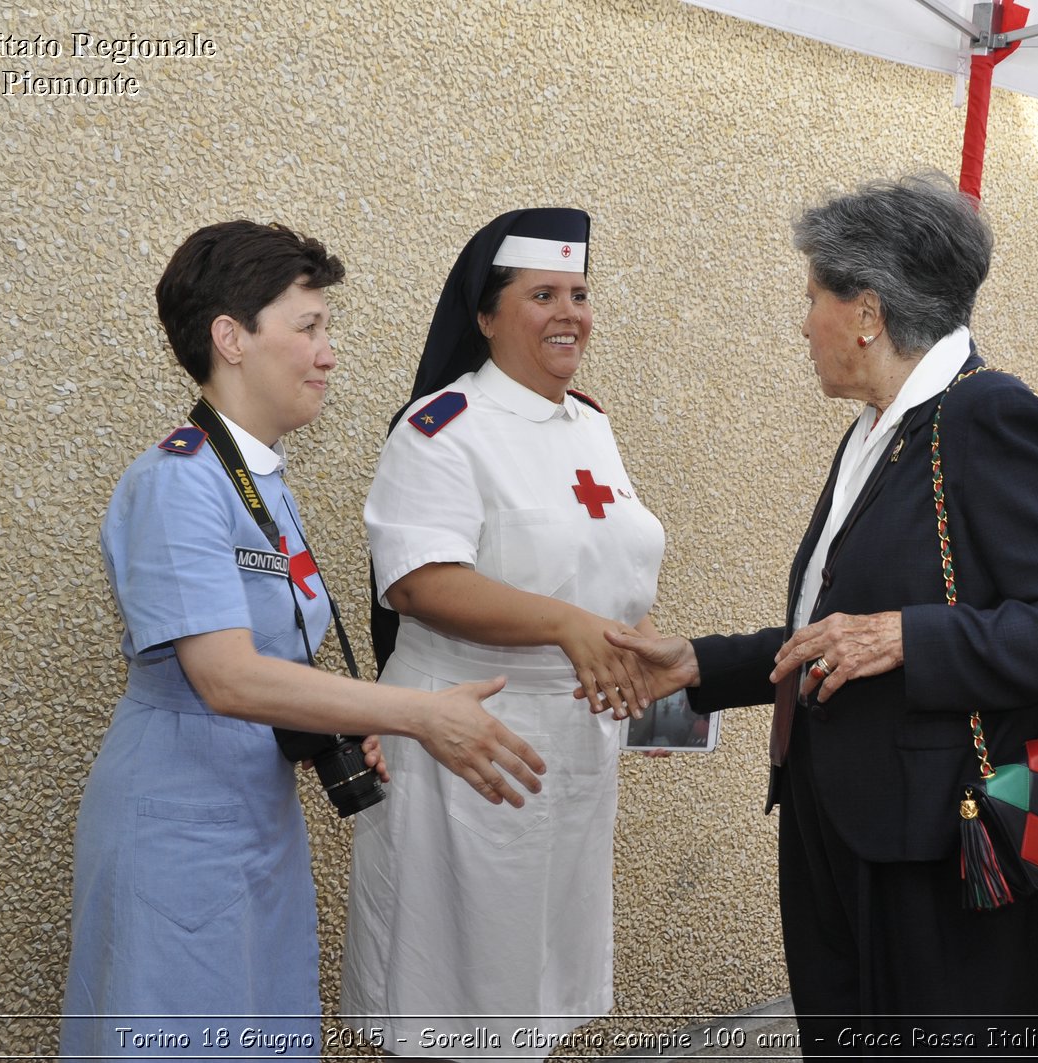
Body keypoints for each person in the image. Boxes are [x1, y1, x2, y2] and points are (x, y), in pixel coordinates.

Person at [605, 174, 1038, 1058]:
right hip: (847, 824)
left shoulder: (987, 414)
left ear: (866, 312)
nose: (801, 321)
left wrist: (911, 635)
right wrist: (699, 665)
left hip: (946, 848)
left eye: (810, 297)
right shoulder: (882, 427)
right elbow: (838, 632)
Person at [60, 221, 545, 1060]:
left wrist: (340, 718)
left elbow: (277, 663)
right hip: (179, 824)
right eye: (308, 326)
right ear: (231, 338)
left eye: (329, 328)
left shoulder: (256, 478)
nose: (328, 352)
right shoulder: (176, 482)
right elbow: (227, 677)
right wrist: (416, 713)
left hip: (254, 815)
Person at [340, 209, 666, 1061]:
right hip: (470, 743)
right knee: (459, 993)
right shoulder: (443, 427)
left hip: (573, 747)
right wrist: (566, 624)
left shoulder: (590, 426)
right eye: (543, 294)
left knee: (538, 988)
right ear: (485, 316)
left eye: (581, 293)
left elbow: (607, 572)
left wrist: (644, 671)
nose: (570, 313)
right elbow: (418, 578)